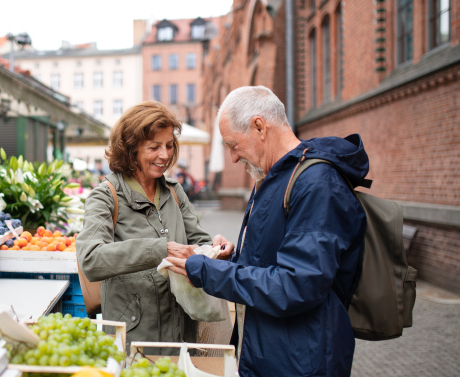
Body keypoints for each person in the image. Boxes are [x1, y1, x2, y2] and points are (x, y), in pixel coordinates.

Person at [167, 86, 368, 376]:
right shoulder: (277, 177)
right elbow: (270, 264)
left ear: (259, 126)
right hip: (273, 352)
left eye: (233, 145)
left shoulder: (316, 184)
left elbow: (295, 286)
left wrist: (207, 272)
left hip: (302, 362)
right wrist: (226, 260)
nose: (234, 158)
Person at [76, 101, 221, 354]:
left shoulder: (174, 192)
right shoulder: (106, 196)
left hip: (181, 336)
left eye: (168, 145)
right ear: (131, 150)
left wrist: (216, 249)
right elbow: (91, 259)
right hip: (134, 339)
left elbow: (199, 241)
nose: (164, 155)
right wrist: (159, 250)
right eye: (154, 147)